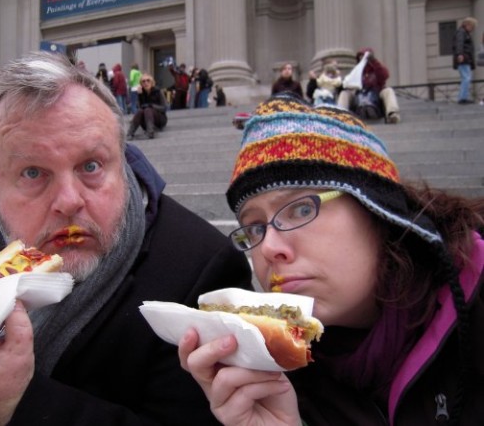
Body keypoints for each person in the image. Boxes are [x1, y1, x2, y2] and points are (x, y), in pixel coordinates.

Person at [0, 51, 252, 425]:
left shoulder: (201, 271)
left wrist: (17, 402)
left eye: (91, 166)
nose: (69, 202)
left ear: (122, 163)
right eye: (33, 173)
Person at [178, 95, 484, 425]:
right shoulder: (281, 377)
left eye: (301, 209)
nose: (268, 248)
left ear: (376, 210)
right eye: (254, 227)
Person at [338, 48, 401, 123]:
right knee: (344, 93)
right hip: (359, 94)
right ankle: (340, 116)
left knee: (388, 91)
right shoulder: (356, 71)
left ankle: (392, 114)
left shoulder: (376, 69)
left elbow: (384, 75)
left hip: (376, 93)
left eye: (364, 56)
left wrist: (374, 61)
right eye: (360, 57)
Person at [127, 73, 167, 140]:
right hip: (146, 122)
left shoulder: (158, 91)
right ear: (141, 84)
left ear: (152, 82)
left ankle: (150, 133)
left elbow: (164, 108)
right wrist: (139, 95)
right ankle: (130, 133)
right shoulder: (141, 93)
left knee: (148, 109)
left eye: (148, 80)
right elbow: (139, 108)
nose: (146, 83)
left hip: (159, 119)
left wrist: (151, 106)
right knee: (141, 111)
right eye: (143, 81)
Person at [453, 17, 477, 104]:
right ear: (468, 25)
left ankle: (463, 97)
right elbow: (459, 43)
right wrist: (460, 54)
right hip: (464, 58)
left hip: (465, 58)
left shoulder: (463, 32)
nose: (472, 29)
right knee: (466, 78)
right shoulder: (462, 32)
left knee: (466, 78)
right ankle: (462, 98)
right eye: (472, 26)